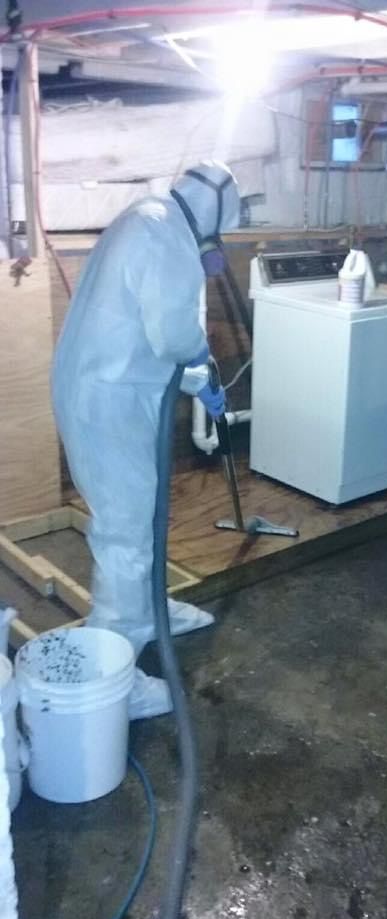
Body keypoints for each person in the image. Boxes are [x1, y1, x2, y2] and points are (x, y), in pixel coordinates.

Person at [52, 161, 240, 719]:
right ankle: (117, 678)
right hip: (108, 400)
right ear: (214, 216)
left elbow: (140, 329)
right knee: (127, 533)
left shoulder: (148, 219)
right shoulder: (168, 238)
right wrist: (202, 363)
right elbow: (172, 333)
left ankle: (153, 611)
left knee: (146, 516)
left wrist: (193, 378)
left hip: (111, 384)